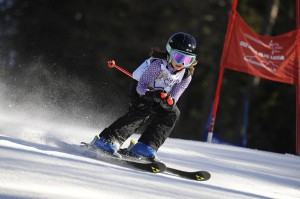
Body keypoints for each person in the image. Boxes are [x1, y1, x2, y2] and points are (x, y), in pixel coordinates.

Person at [90, 32, 198, 161]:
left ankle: (146, 146)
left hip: (160, 96)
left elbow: (174, 98)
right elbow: (141, 87)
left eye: (187, 59)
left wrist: (168, 101)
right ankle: (108, 140)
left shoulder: (186, 76)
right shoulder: (158, 65)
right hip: (142, 90)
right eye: (178, 57)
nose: (181, 63)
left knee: (173, 113)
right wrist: (153, 95)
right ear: (170, 52)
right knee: (143, 110)